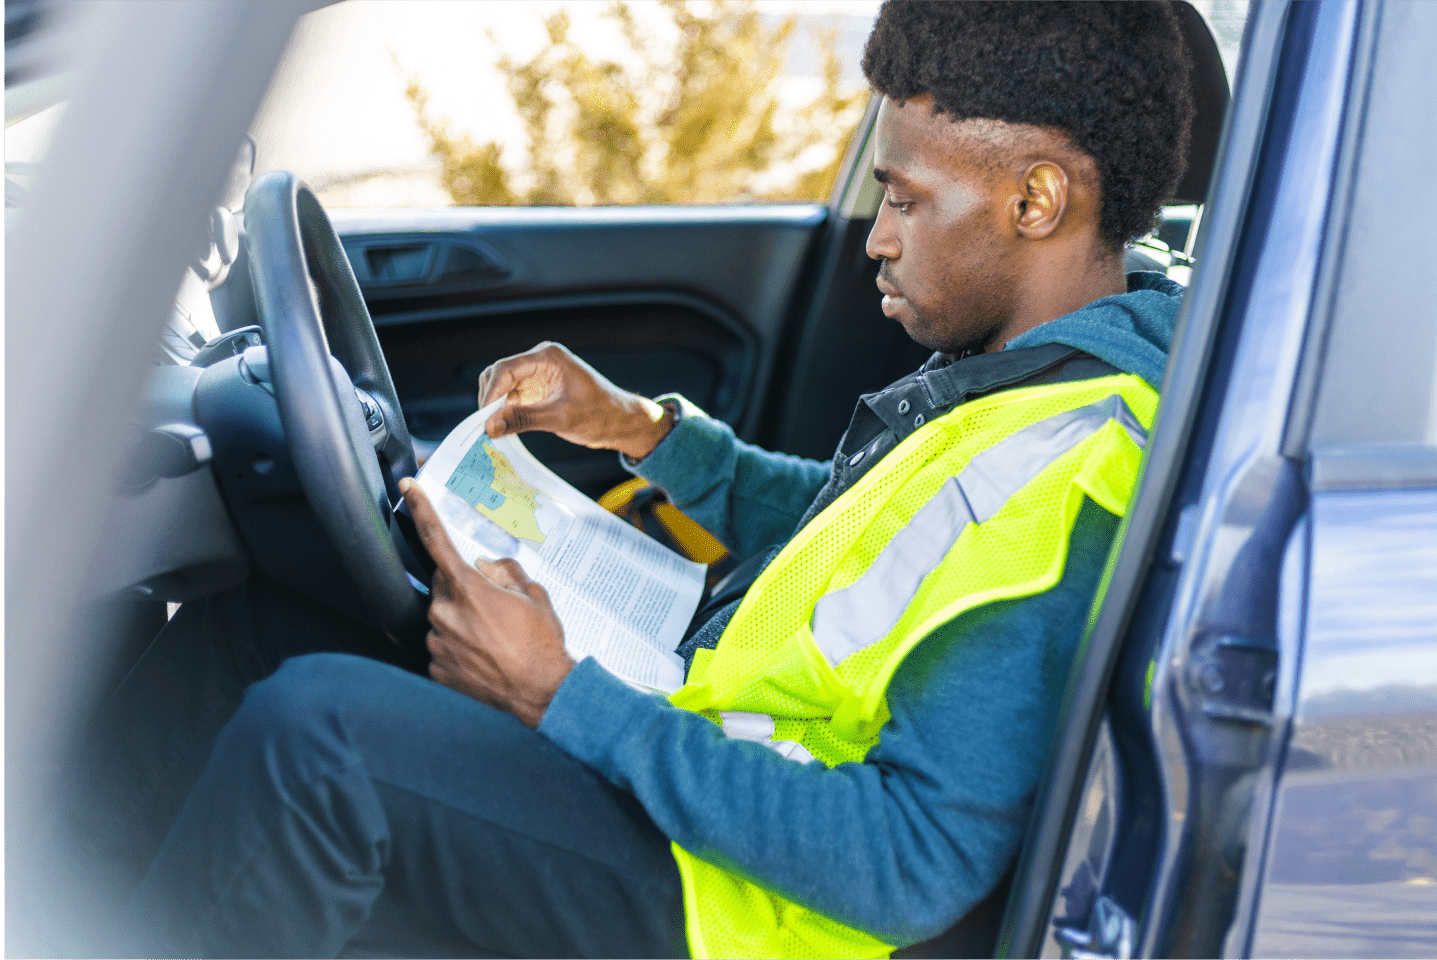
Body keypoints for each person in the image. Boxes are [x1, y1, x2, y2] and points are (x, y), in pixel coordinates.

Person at [106, 3, 1193, 957]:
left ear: (1037, 199)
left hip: (754, 914)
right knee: (263, 622)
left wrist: (563, 696)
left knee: (319, 738)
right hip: (705, 771)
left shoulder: (1077, 463)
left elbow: (912, 868)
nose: (880, 238)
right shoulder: (1027, 380)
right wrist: (639, 430)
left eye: (905, 200)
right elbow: (845, 535)